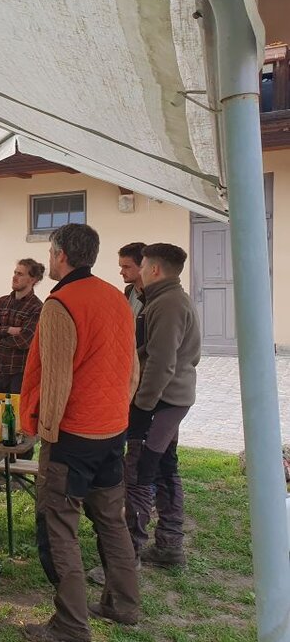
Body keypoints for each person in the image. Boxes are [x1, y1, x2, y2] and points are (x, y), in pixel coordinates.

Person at [20, 223, 141, 642]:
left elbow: (55, 380)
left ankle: (72, 625)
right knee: (111, 519)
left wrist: (42, 434)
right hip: (112, 429)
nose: (50, 259)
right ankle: (125, 605)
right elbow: (132, 370)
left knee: (60, 527)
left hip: (73, 435)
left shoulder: (60, 304)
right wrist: (117, 413)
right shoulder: (116, 297)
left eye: (51, 253)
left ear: (60, 256)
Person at [124, 243, 200, 568]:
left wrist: (141, 405)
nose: (137, 272)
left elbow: (162, 363)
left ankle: (129, 556)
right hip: (169, 400)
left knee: (140, 473)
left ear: (154, 269)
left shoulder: (167, 303)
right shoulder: (168, 299)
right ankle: (170, 547)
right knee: (166, 468)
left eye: (141, 266)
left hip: (160, 402)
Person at [0, 258, 45, 395]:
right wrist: (8, 330)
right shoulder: (2, 302)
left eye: (20, 274)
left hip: (20, 373)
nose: (14, 277)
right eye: (15, 273)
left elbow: (24, 341)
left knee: (16, 412)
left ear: (32, 280)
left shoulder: (37, 308)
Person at [118, 242, 147, 320]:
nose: (121, 272)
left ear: (143, 266)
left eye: (126, 267)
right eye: (121, 267)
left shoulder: (156, 296)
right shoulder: (128, 291)